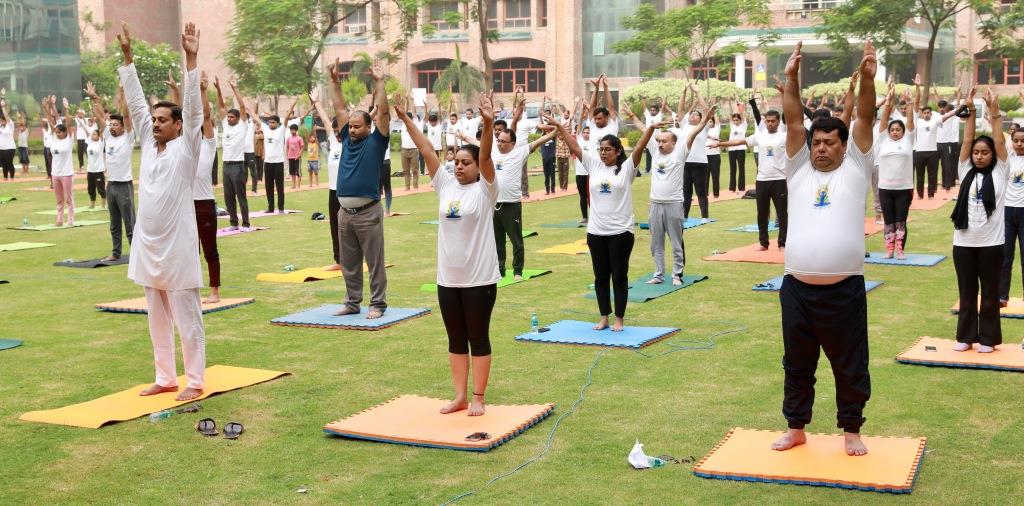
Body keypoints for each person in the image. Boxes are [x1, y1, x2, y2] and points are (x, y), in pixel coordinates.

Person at [772, 40, 877, 457]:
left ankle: (851, 429)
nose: (820, 148)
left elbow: (866, 115)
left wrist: (868, 79)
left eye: (829, 142)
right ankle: (796, 427)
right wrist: (792, 78)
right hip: (797, 287)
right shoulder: (798, 168)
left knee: (849, 365)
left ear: (842, 145)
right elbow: (794, 121)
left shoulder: (855, 166)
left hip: (844, 289)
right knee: (797, 364)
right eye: (817, 142)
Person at [117, 22, 207, 401]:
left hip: (178, 247)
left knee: (188, 320)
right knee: (155, 317)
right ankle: (165, 376)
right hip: (148, 244)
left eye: (162, 120)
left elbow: (194, 110)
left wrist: (191, 59)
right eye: (153, 121)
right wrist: (127, 61)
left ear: (178, 126)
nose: (154, 124)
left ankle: (195, 381)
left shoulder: (187, 150)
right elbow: (136, 104)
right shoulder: (150, 147)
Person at [397, 90, 499, 416]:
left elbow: (485, 159)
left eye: (464, 163)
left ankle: (479, 397)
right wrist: (405, 118)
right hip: (448, 279)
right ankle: (460, 397)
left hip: (479, 279)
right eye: (456, 162)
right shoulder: (446, 184)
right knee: (456, 339)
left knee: (477, 338)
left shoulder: (486, 189)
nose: (458, 167)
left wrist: (488, 123)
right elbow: (426, 148)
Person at [547, 110, 657, 332]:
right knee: (600, 277)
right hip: (596, 232)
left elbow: (639, 149)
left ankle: (619, 319)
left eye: (608, 150)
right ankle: (604, 317)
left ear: (617, 152)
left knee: (619, 276)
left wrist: (651, 129)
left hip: (621, 233)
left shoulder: (626, 169)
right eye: (601, 149)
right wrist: (560, 127)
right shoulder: (594, 165)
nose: (603, 153)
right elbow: (575, 148)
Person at [625, 104, 714, 285]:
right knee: (656, 243)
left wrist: (706, 118)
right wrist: (632, 115)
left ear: (674, 143)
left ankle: (676, 275)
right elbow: (645, 129)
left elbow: (693, 133)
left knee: (675, 242)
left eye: (664, 141)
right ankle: (658, 274)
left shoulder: (679, 154)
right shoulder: (655, 152)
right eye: (659, 141)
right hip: (655, 204)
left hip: (674, 204)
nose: (660, 144)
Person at [331, 58, 391, 319]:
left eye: (357, 126)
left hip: (368, 211)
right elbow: (339, 106)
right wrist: (334, 82)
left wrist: (380, 83)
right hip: (345, 213)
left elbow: (385, 114)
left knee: (374, 262)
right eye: (351, 126)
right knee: (349, 263)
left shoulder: (377, 142)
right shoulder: (346, 140)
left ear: (369, 127)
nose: (352, 129)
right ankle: (352, 302)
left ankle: (377, 304)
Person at [951, 87, 1009, 353]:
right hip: (963, 243)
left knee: (989, 294)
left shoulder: (1000, 170)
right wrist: (971, 111)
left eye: (984, 153)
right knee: (966, 293)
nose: (979, 156)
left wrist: (994, 114)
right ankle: (966, 337)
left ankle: (988, 339)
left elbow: (998, 142)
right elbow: (967, 140)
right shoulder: (966, 170)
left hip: (991, 244)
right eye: (976, 153)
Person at [490, 119, 557, 281]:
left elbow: (538, 141)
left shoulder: (520, 152)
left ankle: (518, 271)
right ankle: (500, 270)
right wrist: (464, 137)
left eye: (503, 141)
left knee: (516, 240)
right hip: (493, 204)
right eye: (498, 140)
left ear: (513, 143)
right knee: (497, 241)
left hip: (511, 205)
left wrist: (556, 131)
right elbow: (478, 143)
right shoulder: (493, 151)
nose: (499, 143)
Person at [717, 110, 788, 251]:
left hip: (779, 179)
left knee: (782, 213)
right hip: (761, 179)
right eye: (768, 121)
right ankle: (763, 243)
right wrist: (721, 144)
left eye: (773, 121)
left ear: (779, 121)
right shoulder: (759, 136)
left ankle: (782, 243)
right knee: (762, 213)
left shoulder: (785, 136)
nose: (770, 123)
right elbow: (740, 141)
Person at [85, 83, 136, 262]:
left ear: (123, 127)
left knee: (130, 223)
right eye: (111, 124)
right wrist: (94, 98)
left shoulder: (128, 138)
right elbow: (99, 116)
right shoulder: (107, 136)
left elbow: (127, 115)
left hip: (124, 186)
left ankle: (137, 253)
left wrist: (123, 92)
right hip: (111, 185)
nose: (112, 127)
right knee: (114, 223)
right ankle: (115, 253)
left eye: (116, 125)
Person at [875, 80, 917, 260]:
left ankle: (900, 250)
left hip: (903, 188)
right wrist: (887, 101)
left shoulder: (908, 140)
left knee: (901, 220)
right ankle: (889, 249)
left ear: (902, 132)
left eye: (898, 130)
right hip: (885, 188)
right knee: (889, 220)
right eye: (892, 129)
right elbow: (884, 120)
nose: (894, 132)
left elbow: (910, 121)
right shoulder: (883, 140)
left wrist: (909, 104)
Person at [213, 77, 251, 230]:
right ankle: (233, 223)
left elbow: (242, 106)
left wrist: (235, 88)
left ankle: (246, 223)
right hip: (226, 166)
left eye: (232, 117)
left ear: (237, 118)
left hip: (238, 166)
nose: (229, 118)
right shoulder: (225, 125)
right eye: (228, 116)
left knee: (240, 196)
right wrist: (218, 89)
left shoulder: (242, 125)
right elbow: (220, 106)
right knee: (228, 197)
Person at [1000, 119, 1024, 306]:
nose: (1019, 144)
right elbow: (998, 139)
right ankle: (1002, 296)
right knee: (1005, 257)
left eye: (1023, 141)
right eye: (1016, 140)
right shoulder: (1007, 159)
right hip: (1007, 213)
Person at [255, 101, 294, 213]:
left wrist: (292, 105)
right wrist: (251, 106)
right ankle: (271, 208)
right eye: (269, 122)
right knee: (268, 187)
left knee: (280, 187)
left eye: (273, 122)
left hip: (278, 163)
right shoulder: (265, 129)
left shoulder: (281, 130)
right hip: (268, 163)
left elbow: (286, 118)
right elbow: (255, 117)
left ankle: (281, 208)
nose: (270, 124)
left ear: (277, 123)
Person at [43, 96, 76, 226]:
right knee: (59, 199)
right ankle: (59, 220)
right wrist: (46, 107)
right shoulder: (54, 139)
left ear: (65, 132)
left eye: (59, 132)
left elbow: (68, 123)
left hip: (67, 173)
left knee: (68, 198)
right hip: (55, 173)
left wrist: (66, 109)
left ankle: (71, 220)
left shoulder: (69, 139)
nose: (56, 133)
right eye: (55, 132)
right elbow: (51, 122)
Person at [913, 91, 943, 200]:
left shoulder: (935, 121)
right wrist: (917, 88)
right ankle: (920, 195)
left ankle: (931, 195)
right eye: (924, 113)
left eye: (928, 113)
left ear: (931, 113)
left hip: (932, 152)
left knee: (932, 175)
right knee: (920, 175)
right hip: (919, 152)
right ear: (922, 114)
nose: (926, 114)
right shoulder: (918, 121)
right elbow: (916, 105)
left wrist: (956, 111)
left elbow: (946, 116)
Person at [937, 90, 963, 197]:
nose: (943, 109)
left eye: (945, 107)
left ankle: (948, 184)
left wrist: (959, 93)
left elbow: (957, 107)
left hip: (949, 143)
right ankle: (942, 184)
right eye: (941, 107)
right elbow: (939, 104)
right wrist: (937, 96)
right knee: (937, 166)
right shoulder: (935, 116)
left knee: (948, 164)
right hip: (936, 143)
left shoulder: (952, 116)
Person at [399, 96, 423, 191]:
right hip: (404, 150)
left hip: (413, 150)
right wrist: (406, 100)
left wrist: (413, 101)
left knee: (415, 170)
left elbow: (414, 112)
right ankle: (407, 186)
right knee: (406, 170)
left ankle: (415, 186)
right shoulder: (402, 124)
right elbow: (403, 112)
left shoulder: (414, 123)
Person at [727, 105, 749, 195]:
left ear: (740, 120)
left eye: (737, 120)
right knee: (733, 169)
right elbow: (731, 114)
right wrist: (733, 105)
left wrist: (739, 107)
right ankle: (732, 188)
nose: (735, 121)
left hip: (741, 149)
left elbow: (743, 115)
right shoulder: (732, 125)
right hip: (731, 149)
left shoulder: (743, 125)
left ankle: (741, 187)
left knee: (741, 168)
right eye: (734, 120)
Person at [84, 127, 106, 209]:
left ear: (98, 135)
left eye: (94, 134)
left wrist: (102, 120)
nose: (92, 135)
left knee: (100, 188)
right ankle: (92, 205)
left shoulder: (101, 142)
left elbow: (101, 131)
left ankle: (103, 205)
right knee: (90, 188)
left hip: (98, 170)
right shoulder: (90, 141)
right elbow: (86, 131)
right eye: (92, 134)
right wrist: (80, 121)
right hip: (90, 170)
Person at [705, 110, 723, 198]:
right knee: (705, 176)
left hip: (715, 156)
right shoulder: (703, 130)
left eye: (711, 121)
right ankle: (705, 193)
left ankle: (716, 194)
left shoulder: (716, 128)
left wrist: (713, 112)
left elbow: (717, 119)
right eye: (708, 121)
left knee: (715, 175)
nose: (709, 123)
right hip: (705, 156)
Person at [0, 92, 14, 180]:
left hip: (10, 147)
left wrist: (3, 107)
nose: (1, 122)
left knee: (9, 163)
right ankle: (5, 178)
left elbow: (7, 116)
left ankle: (12, 177)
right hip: (1, 148)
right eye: (1, 121)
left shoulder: (10, 125)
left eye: (2, 121)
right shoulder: (0, 126)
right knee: (3, 164)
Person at [286, 123, 304, 189]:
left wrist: (299, 155)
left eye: (293, 130)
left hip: (297, 157)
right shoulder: (288, 138)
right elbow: (287, 147)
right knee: (292, 172)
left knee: (298, 172)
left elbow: (302, 147)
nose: (292, 131)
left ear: (296, 130)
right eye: (291, 130)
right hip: (290, 157)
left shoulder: (299, 138)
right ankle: (293, 185)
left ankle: (298, 185)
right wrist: (287, 155)